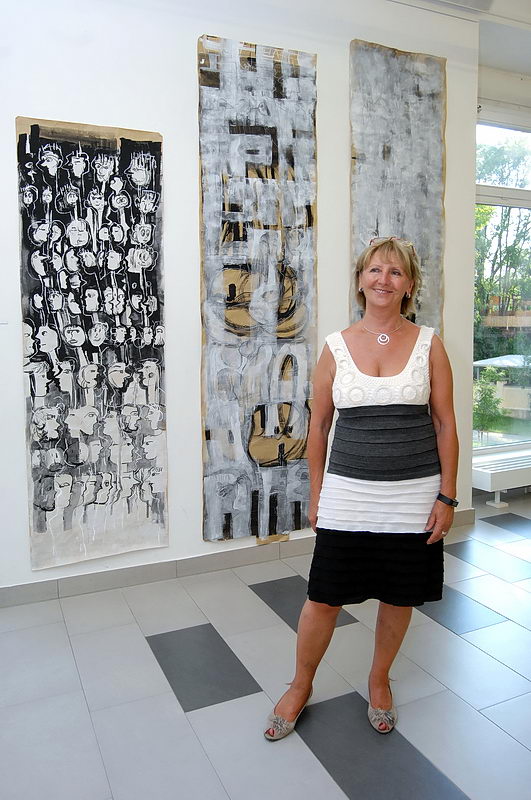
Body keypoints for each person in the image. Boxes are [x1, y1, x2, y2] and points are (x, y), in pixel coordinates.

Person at [264, 236, 459, 740]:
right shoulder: (335, 346)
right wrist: (317, 492)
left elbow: (445, 424)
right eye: (375, 270)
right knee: (324, 597)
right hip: (348, 494)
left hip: (414, 496)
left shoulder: (430, 344)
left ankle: (378, 680)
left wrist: (447, 496)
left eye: (395, 272)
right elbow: (318, 427)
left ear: (409, 284)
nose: (383, 279)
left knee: (398, 595)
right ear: (360, 280)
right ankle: (300, 684)